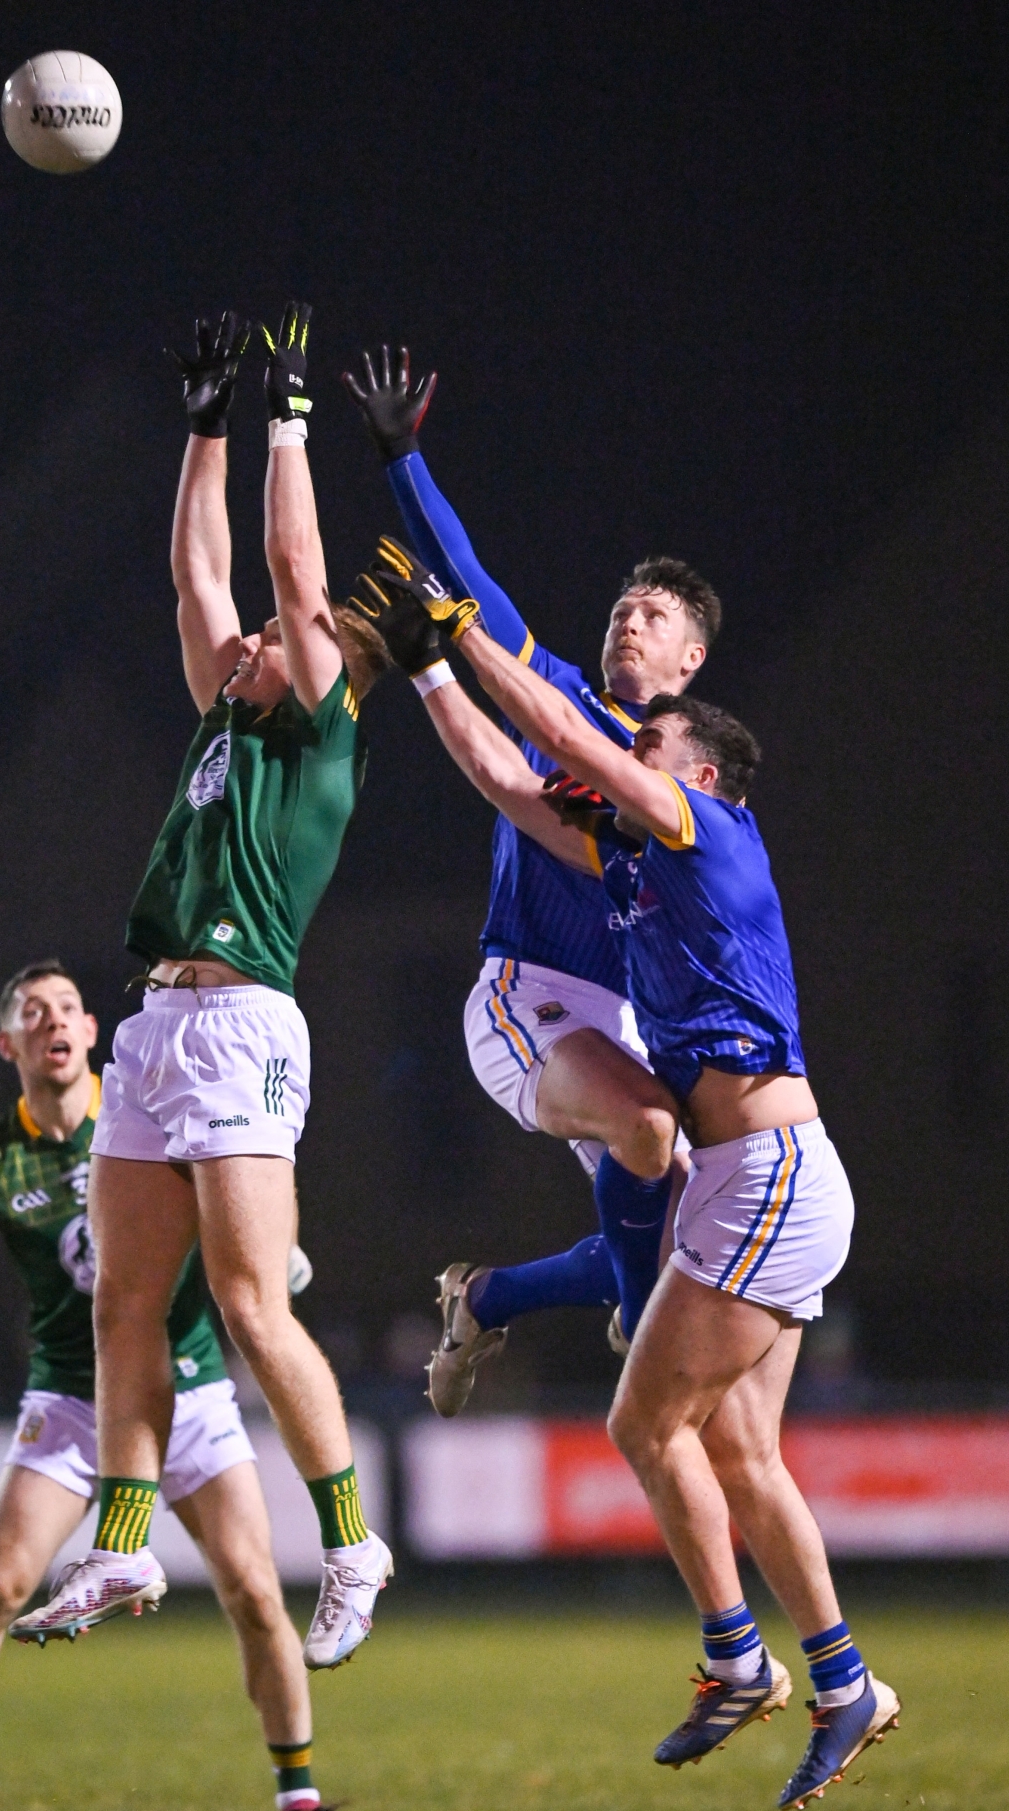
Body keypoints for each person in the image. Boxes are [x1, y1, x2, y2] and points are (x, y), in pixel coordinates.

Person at [361, 554, 899, 1811]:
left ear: (696, 775)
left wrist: (467, 635)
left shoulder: (707, 832)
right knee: (742, 1452)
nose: (625, 748)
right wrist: (432, 671)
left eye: (648, 744)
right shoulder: (641, 867)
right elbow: (513, 780)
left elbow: (557, 733)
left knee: (642, 1426)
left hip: (766, 1177)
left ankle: (738, 1661)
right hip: (761, 1176)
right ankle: (845, 1685)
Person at [12, 308, 394, 1672]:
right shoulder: (229, 719)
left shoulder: (321, 736)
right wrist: (204, 427)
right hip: (157, 1025)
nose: (245, 644)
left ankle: (349, 1543)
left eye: (273, 641)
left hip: (242, 1026)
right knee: (124, 1303)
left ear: (326, 667)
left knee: (247, 1303)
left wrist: (289, 419)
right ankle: (123, 1547)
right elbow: (198, 574)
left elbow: (292, 568)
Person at [0, 962, 342, 1811]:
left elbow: (247, 1170)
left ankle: (299, 1797)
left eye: (66, 1007)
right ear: (7, 1044)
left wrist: (273, 1245)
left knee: (255, 1590)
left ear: (92, 1031)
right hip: (69, 1401)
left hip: (188, 1392)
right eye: (33, 1012)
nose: (53, 1020)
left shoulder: (149, 1111)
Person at [343, 350, 716, 1401]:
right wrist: (401, 456)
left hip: (624, 1021)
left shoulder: (693, 774)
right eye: (622, 608)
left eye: (654, 615)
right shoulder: (557, 696)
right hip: (530, 996)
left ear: (689, 661)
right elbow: (461, 579)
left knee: (691, 1235)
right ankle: (637, 1337)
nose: (628, 620)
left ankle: (489, 1298)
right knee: (649, 1146)